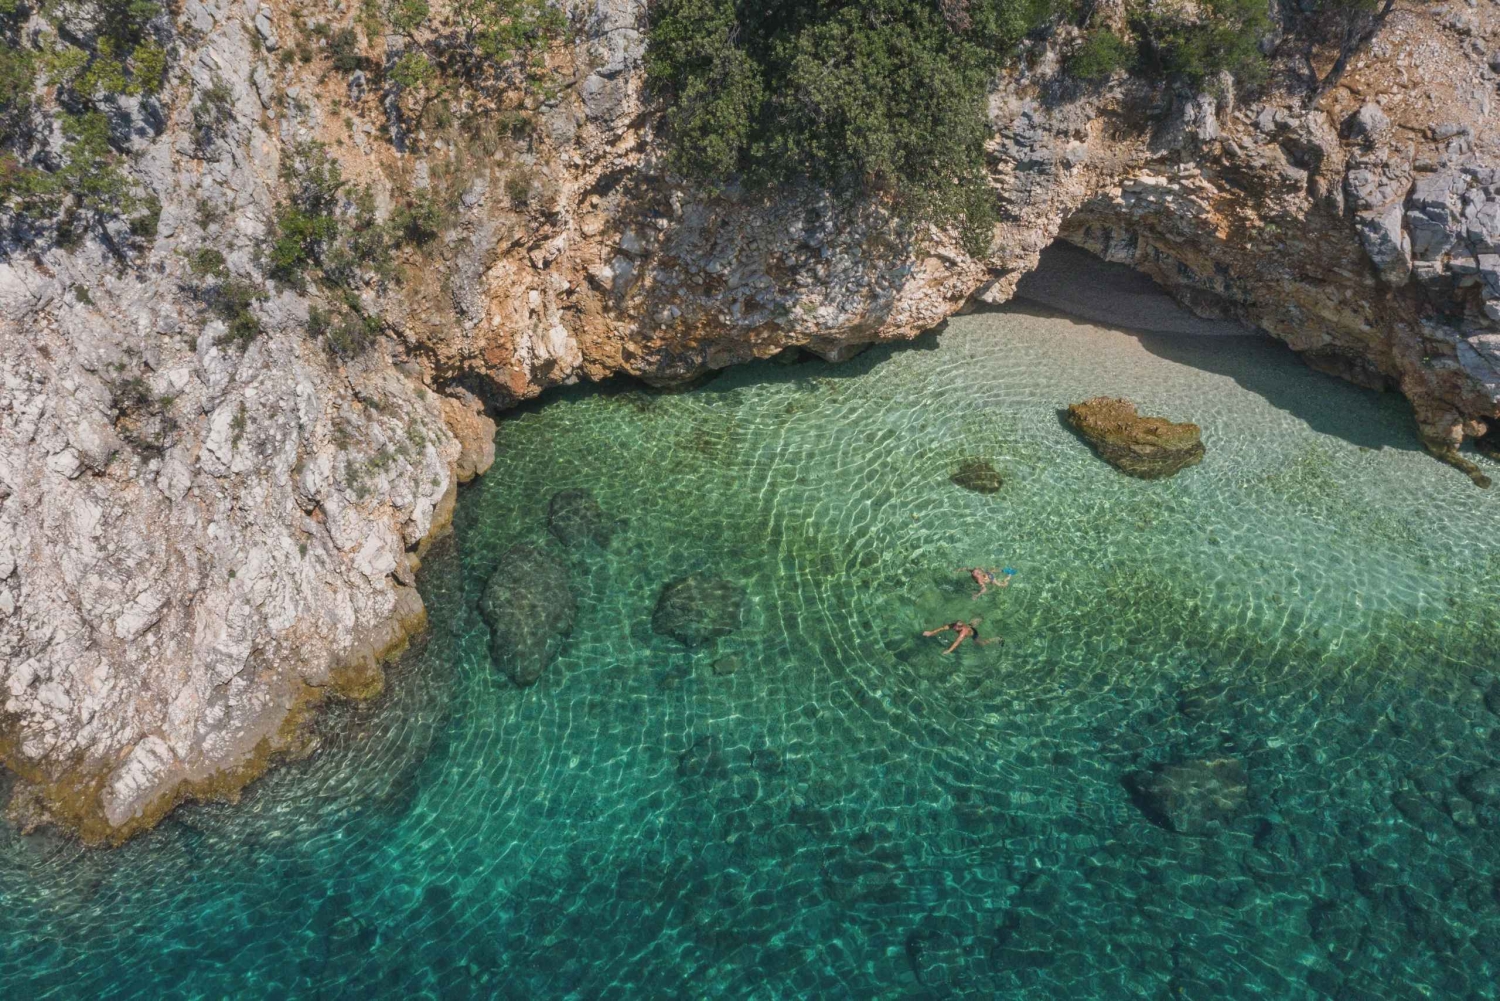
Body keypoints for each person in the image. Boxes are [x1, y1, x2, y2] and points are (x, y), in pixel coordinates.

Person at [923, 619, 1000, 654]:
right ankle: (979, 619)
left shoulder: (963, 633)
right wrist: (931, 632)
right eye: (955, 626)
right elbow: (942, 628)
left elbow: (956, 643)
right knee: (971, 625)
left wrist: (949, 650)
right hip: (969, 627)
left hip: (974, 634)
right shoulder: (954, 625)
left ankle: (996, 639)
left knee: (982, 643)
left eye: (957, 627)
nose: (955, 628)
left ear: (961, 627)